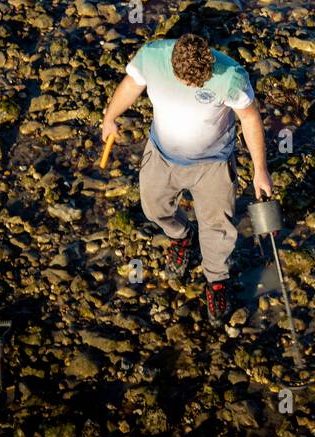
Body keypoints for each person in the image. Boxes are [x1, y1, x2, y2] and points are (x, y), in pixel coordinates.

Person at [100, 32, 273, 326]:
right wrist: (110, 117)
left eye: (200, 82)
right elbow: (131, 85)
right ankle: (181, 236)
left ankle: (216, 280)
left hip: (213, 164)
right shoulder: (152, 57)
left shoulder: (230, 76)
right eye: (188, 82)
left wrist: (261, 171)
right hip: (162, 154)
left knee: (218, 227)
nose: (194, 87)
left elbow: (250, 118)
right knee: (153, 208)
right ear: (172, 66)